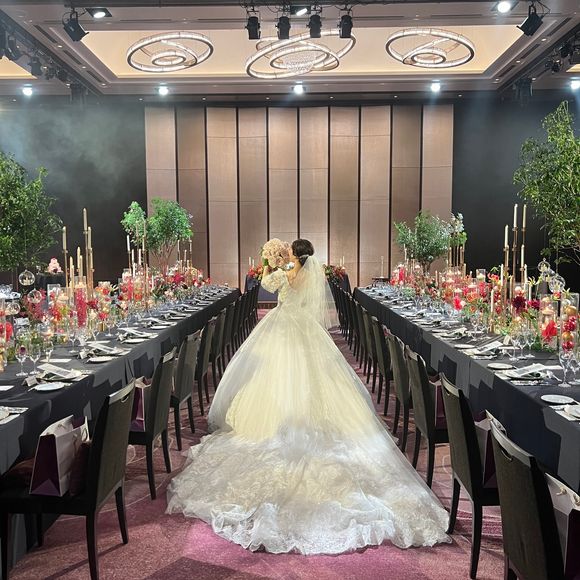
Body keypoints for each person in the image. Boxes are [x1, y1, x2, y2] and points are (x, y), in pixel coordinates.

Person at [167, 239, 450, 555]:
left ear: (294, 255)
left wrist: (268, 260)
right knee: (317, 379)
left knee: (276, 377)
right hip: (305, 327)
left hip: (284, 325)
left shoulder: (287, 272)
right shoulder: (304, 272)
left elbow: (266, 284)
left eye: (288, 252)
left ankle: (278, 423)